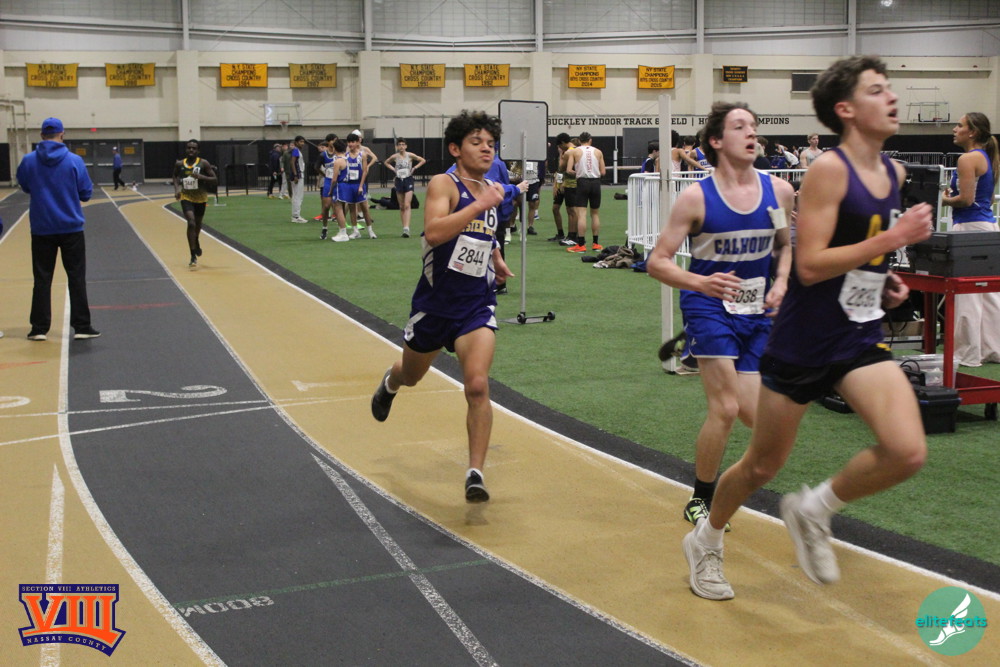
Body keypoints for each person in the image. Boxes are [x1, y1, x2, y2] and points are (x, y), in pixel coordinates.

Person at [681, 55, 934, 601]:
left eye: (889, 87)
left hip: (858, 334)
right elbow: (812, 264)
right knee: (760, 466)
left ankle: (815, 509)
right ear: (846, 109)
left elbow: (857, 250)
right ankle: (706, 538)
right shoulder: (829, 170)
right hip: (803, 339)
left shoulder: (893, 172)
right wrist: (891, 242)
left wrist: (884, 278)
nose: (891, 97)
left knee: (907, 450)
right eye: (876, 90)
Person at [647, 101, 794, 533]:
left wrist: (782, 281)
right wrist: (701, 283)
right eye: (739, 126)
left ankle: (729, 491)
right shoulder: (696, 197)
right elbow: (657, 261)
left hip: (757, 309)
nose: (751, 133)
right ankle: (701, 499)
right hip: (708, 305)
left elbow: (784, 245)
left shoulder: (780, 190)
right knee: (726, 408)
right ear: (716, 140)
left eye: (753, 126)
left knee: (754, 416)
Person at [370, 109, 513, 503]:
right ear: (455, 148)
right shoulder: (443, 184)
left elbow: (484, 234)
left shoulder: (491, 187)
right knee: (411, 375)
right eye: (476, 142)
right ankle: (390, 383)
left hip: (475, 306)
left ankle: (475, 473)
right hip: (435, 306)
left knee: (478, 385)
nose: (486, 149)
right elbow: (434, 233)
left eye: (491, 143)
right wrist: (480, 205)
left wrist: (496, 257)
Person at [17, 117, 101, 341]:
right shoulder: (74, 160)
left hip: (42, 228)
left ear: (42, 135)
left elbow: (25, 185)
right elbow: (86, 193)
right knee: (76, 277)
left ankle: (38, 328)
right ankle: (82, 326)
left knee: (42, 279)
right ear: (62, 134)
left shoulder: (28, 160)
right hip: (71, 228)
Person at [942, 112, 1000, 366]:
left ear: (972, 132)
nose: (954, 129)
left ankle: (966, 353)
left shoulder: (967, 159)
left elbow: (966, 200)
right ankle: (992, 349)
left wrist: (944, 199)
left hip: (969, 228)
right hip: (987, 226)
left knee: (966, 293)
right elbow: (987, 198)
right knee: (989, 293)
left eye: (959, 125)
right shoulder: (986, 157)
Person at [172, 139, 218, 267]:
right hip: (186, 196)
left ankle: (196, 239)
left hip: (200, 198)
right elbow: (175, 176)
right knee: (191, 222)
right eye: (189, 148)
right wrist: (177, 189)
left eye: (194, 148)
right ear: (186, 149)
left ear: (198, 151)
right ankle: (192, 255)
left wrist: (201, 177)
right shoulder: (179, 164)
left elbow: (215, 179)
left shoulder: (203, 163)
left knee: (197, 224)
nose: (191, 150)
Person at [565, 131, 606, 252]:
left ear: (579, 140)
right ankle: (596, 243)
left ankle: (581, 244)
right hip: (596, 183)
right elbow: (603, 172)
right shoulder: (598, 152)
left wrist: (578, 172)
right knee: (595, 214)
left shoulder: (574, 151)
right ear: (590, 140)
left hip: (582, 182)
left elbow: (568, 170)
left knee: (582, 214)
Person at [384, 138, 426, 238]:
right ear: (397, 146)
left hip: (408, 179)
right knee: (402, 206)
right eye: (399, 145)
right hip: (399, 180)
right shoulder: (395, 156)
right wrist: (393, 169)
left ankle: (407, 228)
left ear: (406, 146)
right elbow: (386, 162)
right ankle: (404, 228)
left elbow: (422, 160)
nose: (401, 146)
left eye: (403, 144)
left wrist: (414, 168)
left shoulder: (410, 155)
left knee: (407, 204)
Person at [549, 133, 573, 243]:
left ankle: (572, 235)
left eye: (559, 146)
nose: (559, 148)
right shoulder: (564, 152)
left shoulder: (573, 151)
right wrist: (556, 185)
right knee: (555, 208)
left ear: (563, 143)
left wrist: (564, 183)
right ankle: (560, 234)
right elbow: (560, 170)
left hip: (570, 185)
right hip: (561, 184)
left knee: (571, 211)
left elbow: (569, 170)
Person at [289, 136, 307, 223]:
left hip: (298, 175)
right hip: (298, 175)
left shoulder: (297, 150)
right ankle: (296, 216)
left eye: (303, 142)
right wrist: (296, 175)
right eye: (300, 142)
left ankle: (295, 215)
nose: (302, 143)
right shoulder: (296, 150)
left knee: (297, 195)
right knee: (298, 196)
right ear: (296, 142)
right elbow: (292, 162)